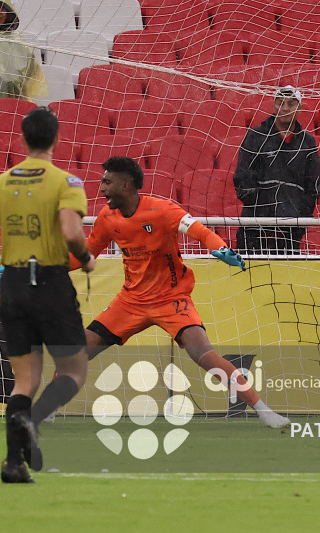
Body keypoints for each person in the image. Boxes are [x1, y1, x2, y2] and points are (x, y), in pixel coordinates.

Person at [77, 156, 290, 429]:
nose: (102, 188)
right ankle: (45, 408)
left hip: (171, 298)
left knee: (205, 356)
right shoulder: (107, 218)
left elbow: (200, 231)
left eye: (107, 182)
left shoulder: (162, 210)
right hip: (131, 301)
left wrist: (220, 248)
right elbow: (84, 255)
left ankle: (264, 410)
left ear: (126, 184)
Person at [0, 106, 96, 483]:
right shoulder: (66, 182)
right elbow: (71, 232)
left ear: (22, 140)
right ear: (57, 139)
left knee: (24, 381)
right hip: (51, 282)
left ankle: (13, 464)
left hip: (13, 285)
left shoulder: (1, 183)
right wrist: (87, 258)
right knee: (74, 370)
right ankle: (33, 420)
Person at [234, 85, 320, 254]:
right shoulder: (256, 136)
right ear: (274, 106)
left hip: (290, 232)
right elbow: (242, 181)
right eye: (280, 102)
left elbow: (313, 186)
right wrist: (265, 210)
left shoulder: (307, 142)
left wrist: (299, 220)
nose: (285, 108)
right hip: (254, 230)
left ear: (299, 109)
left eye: (291, 103)